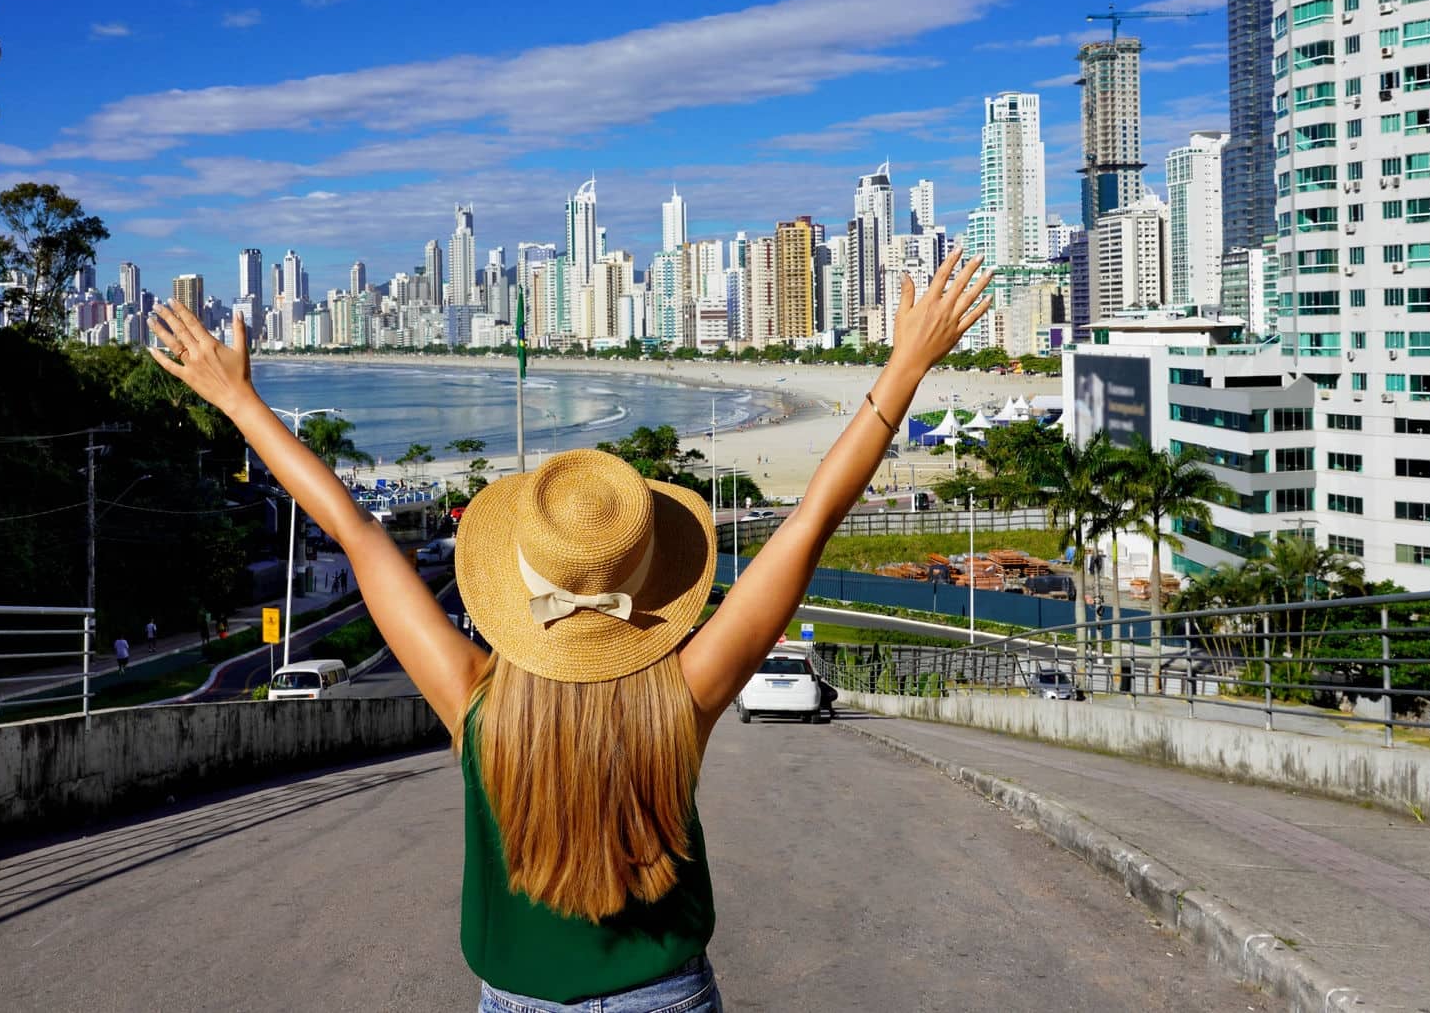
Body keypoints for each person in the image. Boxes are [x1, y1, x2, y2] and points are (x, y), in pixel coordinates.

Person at [145, 249, 992, 1011]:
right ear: (646, 583)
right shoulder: (684, 695)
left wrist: (239, 400)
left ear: (519, 584)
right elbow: (808, 523)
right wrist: (905, 365)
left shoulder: (477, 705)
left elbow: (357, 534)